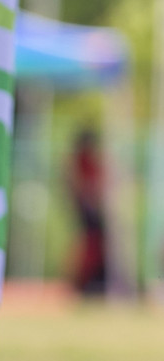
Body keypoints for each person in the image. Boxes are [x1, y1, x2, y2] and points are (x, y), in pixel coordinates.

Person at [66, 127, 107, 296]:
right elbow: (77, 182)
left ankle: (91, 278)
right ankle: (82, 280)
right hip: (85, 205)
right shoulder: (80, 159)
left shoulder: (87, 159)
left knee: (95, 240)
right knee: (89, 241)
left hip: (91, 205)